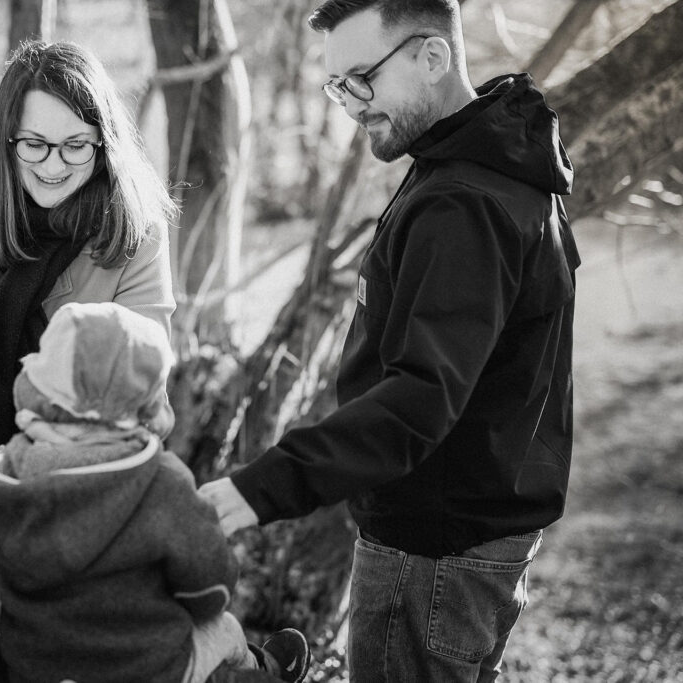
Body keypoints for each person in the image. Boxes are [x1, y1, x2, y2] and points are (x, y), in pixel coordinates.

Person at [199, 1, 581, 680]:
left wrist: (257, 489)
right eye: (337, 85)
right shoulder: (497, 161)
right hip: (479, 536)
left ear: (432, 57)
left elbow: (418, 398)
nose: (349, 104)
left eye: (362, 79)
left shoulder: (464, 201)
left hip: (434, 550)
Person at [0, 302, 312, 683]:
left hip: (36, 665)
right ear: (145, 406)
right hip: (141, 668)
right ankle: (266, 675)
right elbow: (211, 589)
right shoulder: (161, 483)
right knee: (225, 630)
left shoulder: (2, 478)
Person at [0, 39, 177, 460]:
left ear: (104, 142)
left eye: (76, 145)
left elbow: (140, 395)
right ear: (7, 140)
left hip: (80, 476)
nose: (53, 167)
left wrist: (22, 464)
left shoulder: (136, 231)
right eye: (34, 144)